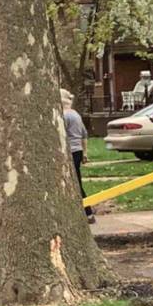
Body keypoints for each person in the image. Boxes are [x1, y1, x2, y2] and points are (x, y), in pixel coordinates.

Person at [61, 90, 95, 223]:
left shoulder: (65, 116)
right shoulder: (76, 114)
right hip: (78, 150)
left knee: (75, 184)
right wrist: (85, 153)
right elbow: (84, 134)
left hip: (71, 151)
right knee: (77, 182)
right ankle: (86, 212)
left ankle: (88, 212)